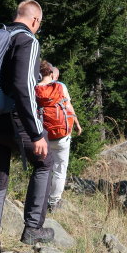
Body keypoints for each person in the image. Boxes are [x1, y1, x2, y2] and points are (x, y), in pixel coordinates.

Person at [0, 0, 54, 253]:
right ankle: (33, 228)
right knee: (45, 163)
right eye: (38, 24)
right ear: (34, 21)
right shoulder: (27, 40)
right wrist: (36, 132)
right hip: (13, 121)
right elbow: (23, 88)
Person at [35, 62, 82, 211]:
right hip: (62, 135)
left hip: (43, 137)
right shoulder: (60, 86)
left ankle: (39, 200)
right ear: (51, 73)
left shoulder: (34, 88)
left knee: (43, 169)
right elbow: (67, 106)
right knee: (60, 169)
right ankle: (54, 202)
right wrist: (77, 123)